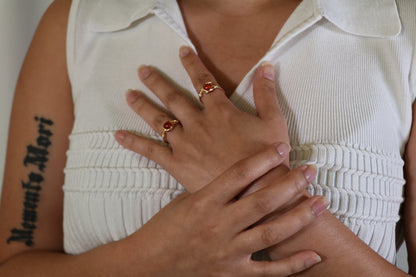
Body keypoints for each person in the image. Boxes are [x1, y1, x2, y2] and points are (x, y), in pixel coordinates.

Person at [0, 0, 414, 276]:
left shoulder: (403, 25)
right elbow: (15, 262)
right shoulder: (76, 20)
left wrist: (257, 188)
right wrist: (149, 262)